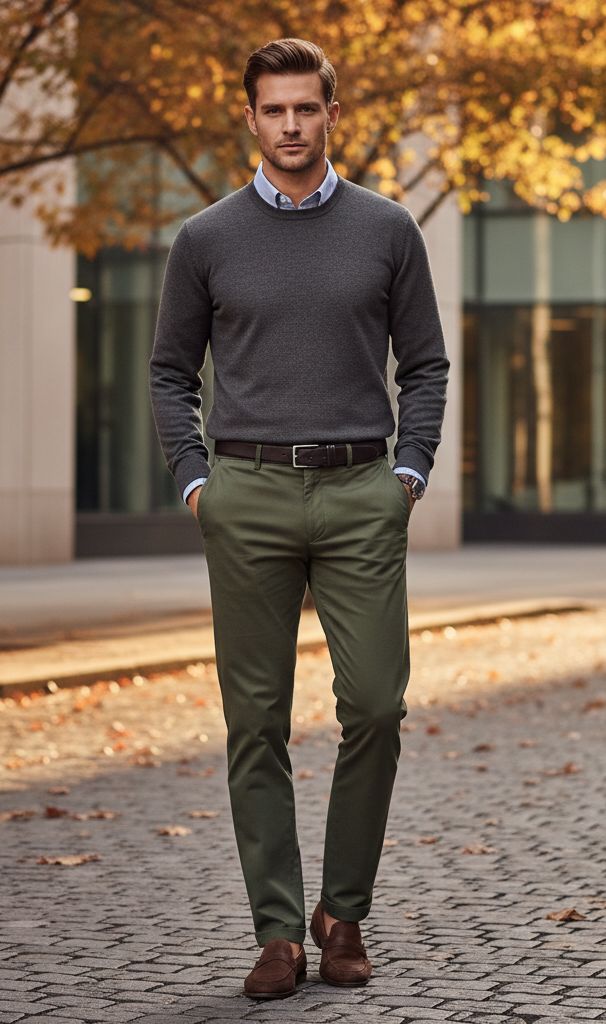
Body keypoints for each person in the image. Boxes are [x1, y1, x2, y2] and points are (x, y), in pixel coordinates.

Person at [149, 36, 450, 1000]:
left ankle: (344, 912)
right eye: (273, 110)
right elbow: (167, 372)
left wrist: (407, 470)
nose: (290, 125)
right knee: (256, 723)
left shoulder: (389, 227)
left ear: (331, 114)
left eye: (305, 109)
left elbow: (427, 365)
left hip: (364, 491)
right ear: (250, 117)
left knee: (375, 706)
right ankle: (279, 931)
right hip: (247, 497)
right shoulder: (204, 240)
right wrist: (198, 482)